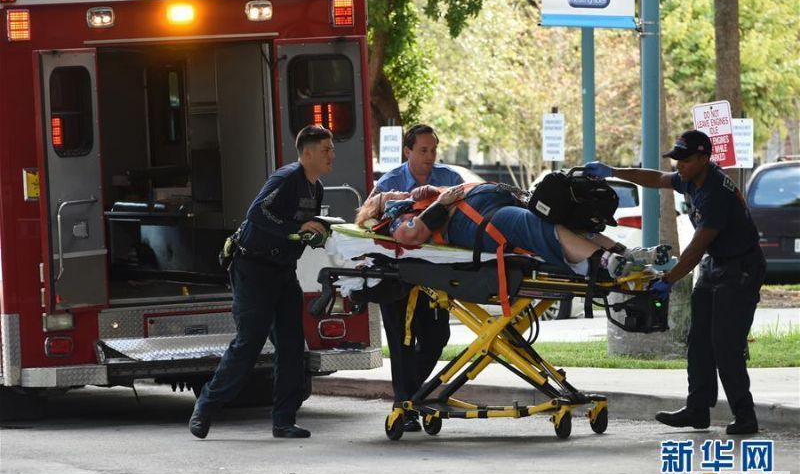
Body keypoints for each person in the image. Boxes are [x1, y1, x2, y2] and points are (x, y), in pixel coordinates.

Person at [585, 129, 766, 435]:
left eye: (685, 159)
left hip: (741, 268)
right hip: (716, 263)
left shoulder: (715, 194)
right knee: (699, 342)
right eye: (677, 159)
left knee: (726, 345)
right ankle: (698, 410)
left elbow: (695, 249)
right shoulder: (690, 178)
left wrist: (668, 279)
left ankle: (745, 416)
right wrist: (612, 171)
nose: (679, 165)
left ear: (704, 159)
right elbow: (657, 178)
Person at [189, 125, 334, 440]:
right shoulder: (287, 178)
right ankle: (206, 405)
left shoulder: (317, 188)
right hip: (253, 269)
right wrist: (296, 227)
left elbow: (298, 229)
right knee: (249, 343)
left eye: (331, 149)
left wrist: (315, 233)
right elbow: (257, 213)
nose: (331, 155)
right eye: (326, 149)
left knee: (292, 346)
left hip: (283, 271)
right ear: (307, 153)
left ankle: (284, 421)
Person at [356, 183, 661, 280]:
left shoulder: (417, 199)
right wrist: (440, 202)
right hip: (477, 222)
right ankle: (602, 262)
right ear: (380, 209)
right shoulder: (394, 218)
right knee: (536, 225)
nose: (392, 191)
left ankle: (626, 254)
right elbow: (411, 236)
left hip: (488, 208)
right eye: (385, 194)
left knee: (563, 219)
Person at [369, 124, 464, 432]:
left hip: (435, 273)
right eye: (423, 150)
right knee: (402, 343)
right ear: (407, 151)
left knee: (437, 337)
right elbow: (369, 222)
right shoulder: (390, 183)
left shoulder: (450, 180)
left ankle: (410, 398)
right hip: (398, 274)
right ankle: (406, 407)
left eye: (433, 150)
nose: (430, 156)